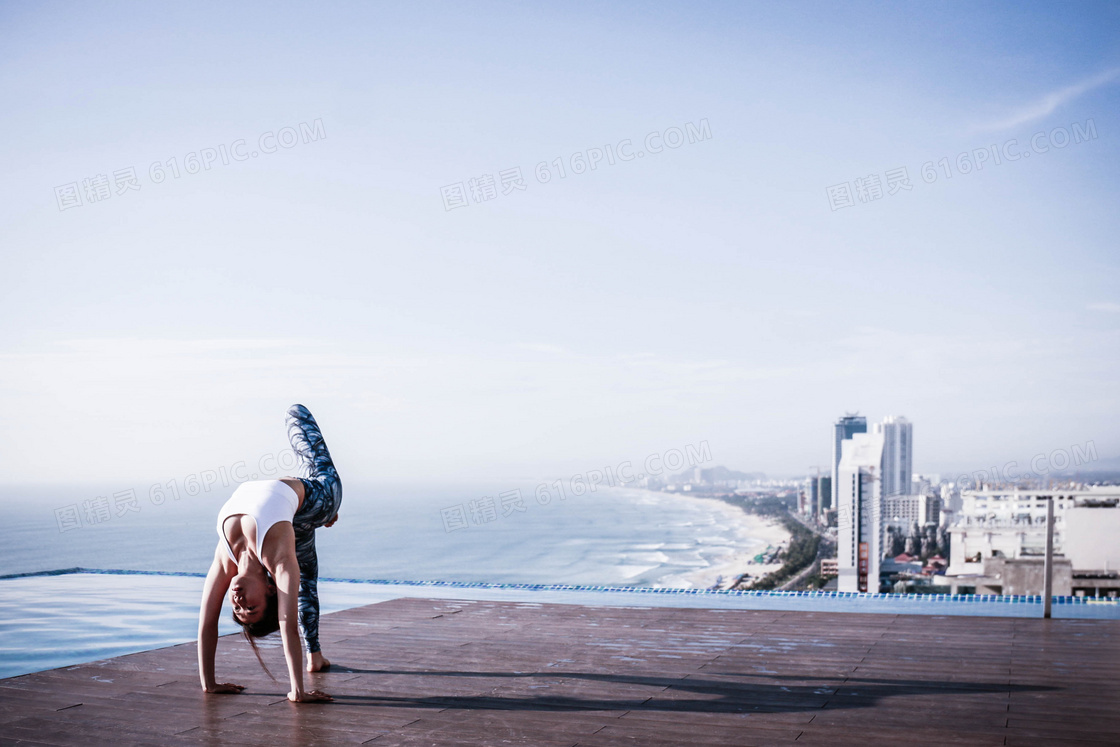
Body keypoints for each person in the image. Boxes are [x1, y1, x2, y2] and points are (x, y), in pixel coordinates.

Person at [197, 404, 342, 702]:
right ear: (269, 589)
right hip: (319, 498)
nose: (238, 603)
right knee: (297, 413)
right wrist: (297, 692)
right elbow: (287, 623)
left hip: (293, 512)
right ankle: (313, 656)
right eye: (251, 608)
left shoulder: (226, 558)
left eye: (237, 610)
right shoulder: (280, 561)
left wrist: (209, 685)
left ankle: (315, 655)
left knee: (306, 568)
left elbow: (206, 624)